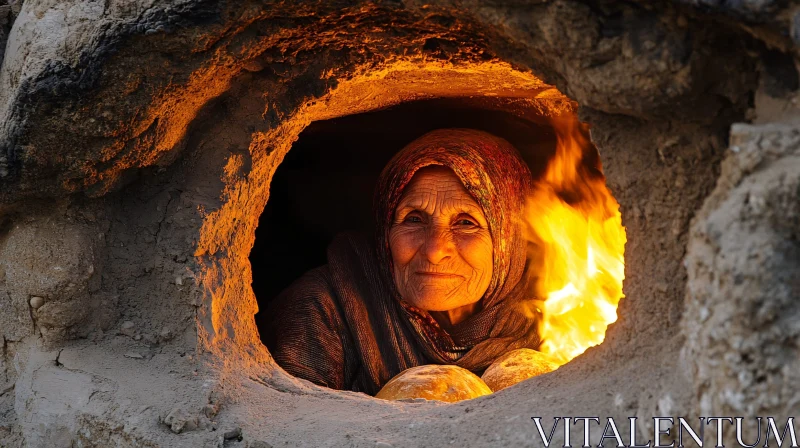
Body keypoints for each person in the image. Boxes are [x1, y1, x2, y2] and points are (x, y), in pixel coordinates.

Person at [262, 128, 541, 396]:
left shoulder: (553, 315)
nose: (434, 250)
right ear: (385, 230)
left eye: (466, 223)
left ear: (510, 242)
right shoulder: (325, 307)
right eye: (414, 219)